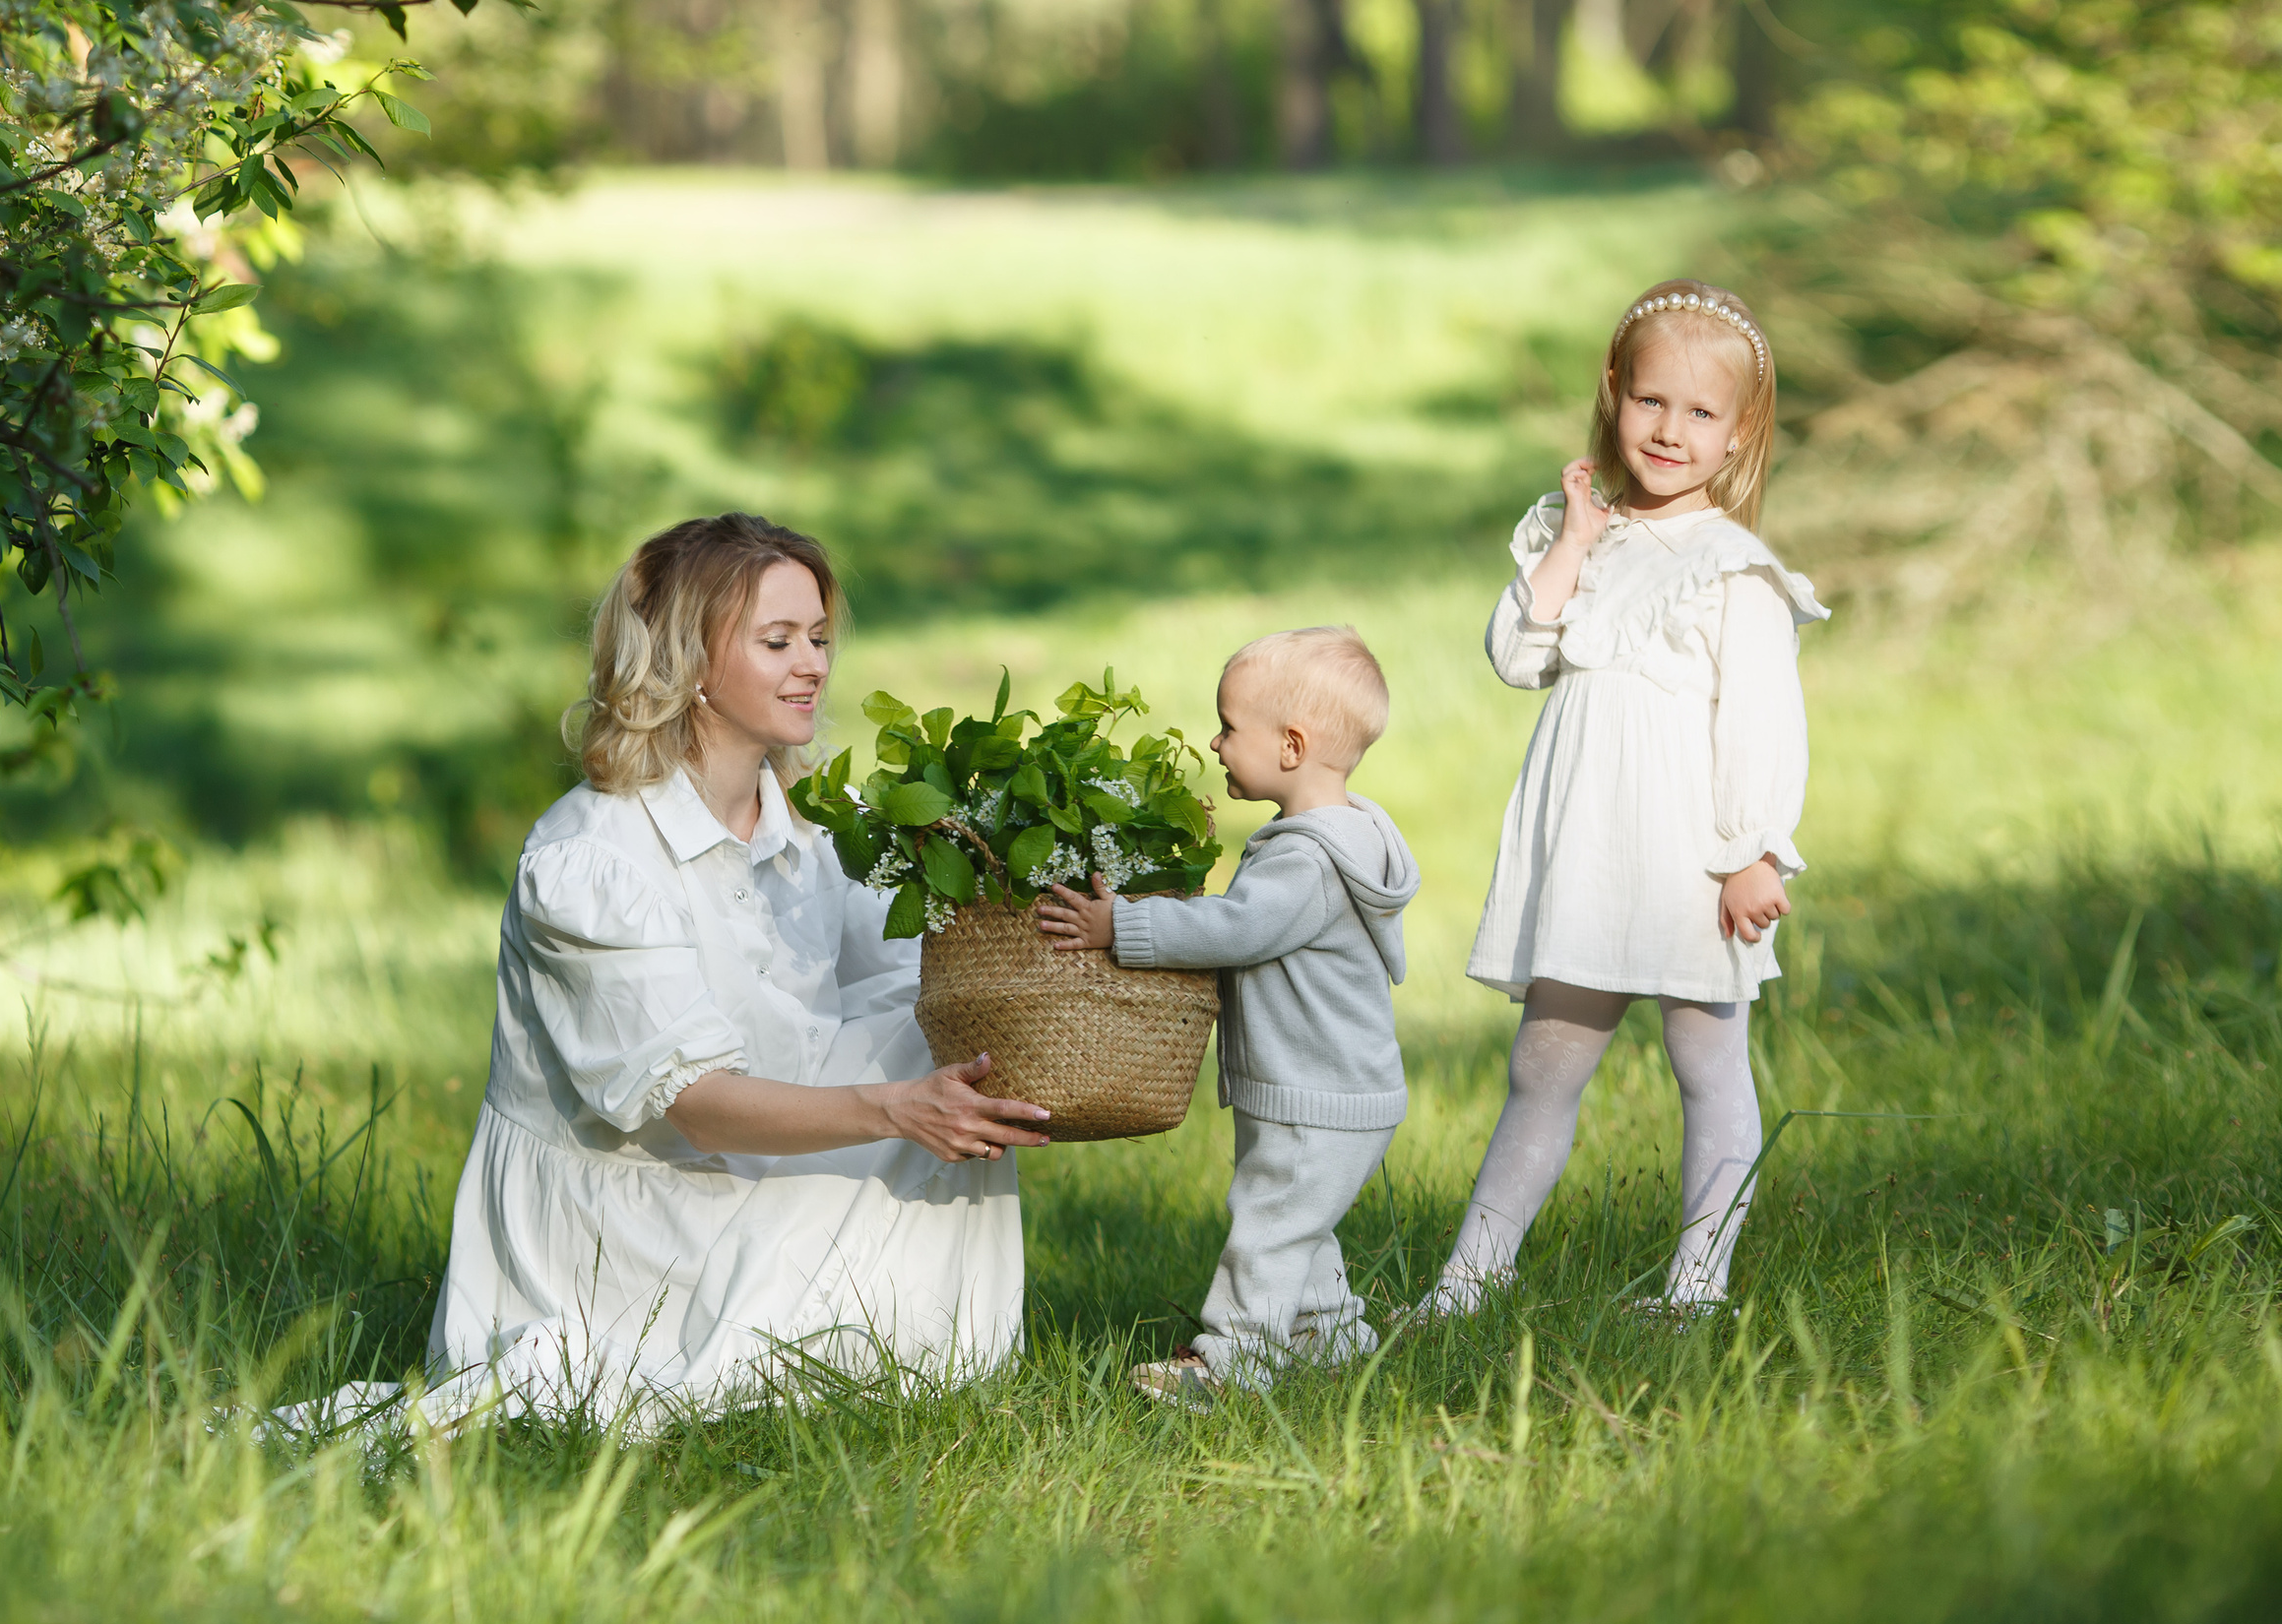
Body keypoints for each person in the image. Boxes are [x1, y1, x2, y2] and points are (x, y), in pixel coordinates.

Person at [287, 514, 1053, 1437]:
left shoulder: (817, 822)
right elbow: (689, 1104)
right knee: (908, 1073)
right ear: (690, 663)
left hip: (748, 1153)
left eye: (817, 638)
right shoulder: (592, 859)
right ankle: (803, 1338)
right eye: (776, 642)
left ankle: (912, 1347)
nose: (812, 663)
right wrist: (897, 1108)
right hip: (623, 1221)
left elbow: (916, 983)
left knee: (930, 1015)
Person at [1410, 280, 1828, 1323]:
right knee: (1542, 1066)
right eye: (1651, 402)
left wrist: (1753, 849)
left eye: (1699, 413)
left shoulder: (1734, 569)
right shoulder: (1578, 536)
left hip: (1691, 852)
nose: (1669, 430)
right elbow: (1516, 657)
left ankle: (1696, 1286)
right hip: (1589, 849)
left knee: (1707, 1063)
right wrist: (1571, 543)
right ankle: (1468, 1280)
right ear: (1613, 396)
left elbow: (1764, 722)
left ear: (1738, 435)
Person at [1038, 627, 1421, 1406]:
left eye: (1228, 726)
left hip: (1317, 1094)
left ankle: (1230, 1363)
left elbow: (1235, 929)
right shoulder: (1346, 837)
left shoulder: (1308, 859)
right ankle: (1332, 1339)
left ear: (1291, 746)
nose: (1214, 741)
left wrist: (1125, 928)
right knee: (1294, 1222)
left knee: (1270, 1222)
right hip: (1326, 1091)